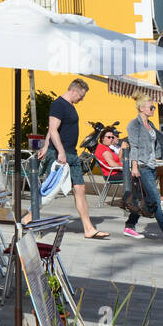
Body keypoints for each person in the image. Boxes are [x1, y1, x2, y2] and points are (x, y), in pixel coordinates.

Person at [39, 79, 109, 239]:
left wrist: (45, 145)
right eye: (82, 96)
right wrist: (58, 151)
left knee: (80, 189)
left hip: (71, 154)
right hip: (61, 154)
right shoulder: (59, 104)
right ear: (74, 91)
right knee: (50, 190)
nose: (82, 99)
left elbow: (51, 130)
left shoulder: (69, 106)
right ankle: (27, 219)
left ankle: (88, 228)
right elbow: (53, 128)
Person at [124, 99, 163, 243]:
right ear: (141, 108)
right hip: (142, 166)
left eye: (154, 107)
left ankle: (130, 226)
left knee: (147, 199)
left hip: (151, 165)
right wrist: (134, 166)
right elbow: (134, 147)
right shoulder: (134, 124)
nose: (153, 109)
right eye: (151, 107)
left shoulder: (150, 125)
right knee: (155, 199)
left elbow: (156, 144)